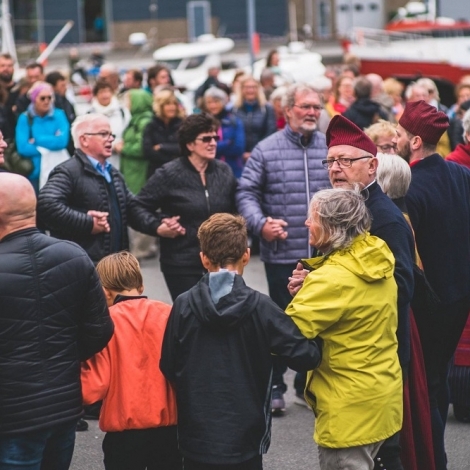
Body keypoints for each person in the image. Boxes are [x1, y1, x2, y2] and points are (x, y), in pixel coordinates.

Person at [288, 114, 415, 470]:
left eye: (346, 160)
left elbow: (402, 287)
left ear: (372, 165)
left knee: (379, 453)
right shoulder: (335, 205)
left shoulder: (384, 218)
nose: (335, 168)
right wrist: (312, 282)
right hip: (344, 357)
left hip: (373, 352)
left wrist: (333, 287)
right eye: (330, 161)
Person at [160, 212, 323, 470]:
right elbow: (307, 356)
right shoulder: (261, 307)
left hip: (196, 436)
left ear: (203, 259)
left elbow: (168, 364)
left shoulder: (183, 305)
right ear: (246, 255)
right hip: (245, 436)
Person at [0, 173, 113, 469]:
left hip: (12, 416)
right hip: (64, 408)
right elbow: (100, 329)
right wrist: (62, 356)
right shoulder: (74, 255)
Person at [236, 83, 330, 413]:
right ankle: (275, 383)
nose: (311, 113)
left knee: (319, 322)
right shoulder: (266, 149)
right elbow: (246, 193)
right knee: (279, 322)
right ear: (287, 110)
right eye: (305, 107)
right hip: (283, 254)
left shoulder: (330, 147)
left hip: (323, 257)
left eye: (317, 108)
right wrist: (261, 224)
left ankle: (307, 384)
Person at [397, 99, 470, 470]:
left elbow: (409, 256)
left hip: (429, 302)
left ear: (413, 142)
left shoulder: (410, 188)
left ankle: (432, 458)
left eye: (398, 134)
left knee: (428, 389)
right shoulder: (461, 175)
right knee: (437, 381)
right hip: (460, 296)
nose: (394, 139)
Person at [81, 252, 180, 470]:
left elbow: (93, 388)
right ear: (141, 286)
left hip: (124, 434)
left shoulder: (105, 324)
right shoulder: (169, 313)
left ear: (105, 292)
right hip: (168, 430)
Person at [130, 113, 237, 301]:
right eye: (206, 138)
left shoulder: (224, 171)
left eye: (215, 138)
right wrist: (158, 226)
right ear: (189, 144)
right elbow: (136, 208)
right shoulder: (168, 173)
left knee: (223, 318)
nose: (213, 143)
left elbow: (239, 207)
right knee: (192, 320)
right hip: (181, 262)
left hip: (220, 262)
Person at [37, 113, 152, 265]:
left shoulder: (113, 172)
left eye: (111, 134)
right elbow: (47, 206)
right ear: (84, 139)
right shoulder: (68, 172)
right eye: (104, 134)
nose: (111, 139)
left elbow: (131, 209)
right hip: (84, 268)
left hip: (114, 267)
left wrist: (158, 225)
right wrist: (88, 223)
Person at [15, 80, 70, 193]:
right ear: (34, 99)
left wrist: (37, 140)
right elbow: (23, 147)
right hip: (34, 173)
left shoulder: (59, 115)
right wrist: (51, 141)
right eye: (42, 98)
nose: (46, 101)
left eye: (49, 98)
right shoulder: (24, 118)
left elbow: (62, 141)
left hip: (57, 171)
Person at [88, 79, 131, 169]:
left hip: (120, 159)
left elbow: (129, 132)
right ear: (96, 95)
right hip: (98, 161)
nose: (105, 95)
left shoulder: (123, 112)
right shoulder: (89, 115)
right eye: (101, 92)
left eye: (107, 91)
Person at [203, 87, 245, 178]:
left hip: (233, 170)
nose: (213, 106)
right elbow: (201, 147)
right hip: (209, 172)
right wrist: (227, 143)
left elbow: (238, 148)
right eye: (209, 102)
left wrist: (214, 147)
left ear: (223, 102)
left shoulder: (234, 121)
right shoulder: (203, 122)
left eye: (216, 102)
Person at [233, 75, 276, 162]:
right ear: (241, 89)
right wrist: (241, 152)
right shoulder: (234, 109)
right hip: (239, 157)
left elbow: (270, 132)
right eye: (247, 87)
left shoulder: (267, 108)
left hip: (262, 155)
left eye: (253, 87)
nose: (250, 90)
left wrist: (254, 151)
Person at [143, 88, 184, 177]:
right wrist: (171, 157)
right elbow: (148, 151)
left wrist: (162, 147)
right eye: (168, 104)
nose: (172, 107)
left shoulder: (182, 125)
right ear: (160, 106)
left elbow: (184, 148)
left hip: (179, 172)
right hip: (157, 172)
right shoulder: (151, 126)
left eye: (174, 104)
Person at [45, 70, 77, 156]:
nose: (65, 88)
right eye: (62, 85)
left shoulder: (67, 102)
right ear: (53, 87)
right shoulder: (50, 106)